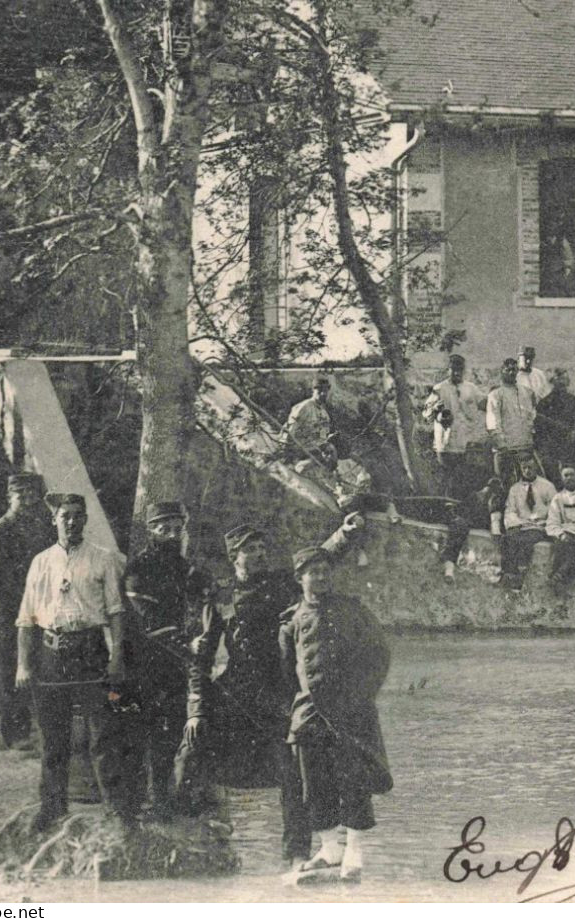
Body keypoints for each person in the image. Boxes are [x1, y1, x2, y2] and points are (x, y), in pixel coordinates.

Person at [177, 516, 361, 865]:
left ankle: (296, 858)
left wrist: (343, 535)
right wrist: (197, 708)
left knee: (295, 772)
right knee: (190, 748)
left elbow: (317, 562)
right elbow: (200, 656)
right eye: (251, 550)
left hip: (279, 693)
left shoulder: (282, 585)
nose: (260, 555)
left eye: (262, 548)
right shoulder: (221, 597)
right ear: (235, 557)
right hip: (235, 691)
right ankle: (185, 831)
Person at [13, 493, 137, 833]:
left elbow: (115, 613)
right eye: (65, 515)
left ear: (85, 520)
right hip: (51, 656)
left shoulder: (103, 559)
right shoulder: (40, 562)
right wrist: (23, 665)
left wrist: (116, 659)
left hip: (91, 653)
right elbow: (26, 619)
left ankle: (117, 810)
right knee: (53, 738)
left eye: (78, 515)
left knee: (103, 735)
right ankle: (52, 808)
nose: (72, 521)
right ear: (54, 519)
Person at [280, 524, 392, 885]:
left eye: (327, 572)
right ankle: (329, 849)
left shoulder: (352, 610)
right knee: (315, 783)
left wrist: (362, 696)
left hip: (351, 710)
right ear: (300, 578)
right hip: (310, 713)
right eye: (314, 573)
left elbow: (379, 654)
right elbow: (287, 669)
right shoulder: (291, 622)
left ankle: (354, 852)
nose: (322, 578)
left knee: (354, 780)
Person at [123, 500, 213, 820]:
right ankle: (155, 800)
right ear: (152, 530)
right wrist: (184, 641)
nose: (172, 535)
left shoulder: (182, 566)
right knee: (152, 731)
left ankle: (177, 795)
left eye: (177, 529)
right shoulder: (138, 568)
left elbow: (205, 594)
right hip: (147, 659)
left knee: (178, 727)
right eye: (165, 529)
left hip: (176, 658)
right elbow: (147, 620)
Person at [0, 471, 52, 747]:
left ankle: (42, 733)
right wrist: (27, 605)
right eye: (19, 494)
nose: (25, 499)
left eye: (31, 494)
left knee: (41, 668)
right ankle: (16, 737)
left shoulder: (45, 527)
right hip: (10, 612)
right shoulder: (0, 530)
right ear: (9, 497)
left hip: (42, 611)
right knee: (11, 670)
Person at [423, 355, 489, 580]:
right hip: (444, 445)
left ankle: (457, 513)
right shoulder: (439, 388)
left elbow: (484, 403)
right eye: (453, 369)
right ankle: (446, 513)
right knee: (446, 479)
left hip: (464, 444)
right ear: (449, 369)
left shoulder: (471, 388)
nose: (457, 372)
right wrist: (437, 413)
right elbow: (426, 412)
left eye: (460, 369)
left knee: (461, 480)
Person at [500, 457, 556, 592]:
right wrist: (517, 523)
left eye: (530, 467)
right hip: (521, 524)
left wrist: (540, 520)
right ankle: (509, 574)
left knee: (527, 539)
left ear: (536, 467)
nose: (527, 471)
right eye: (524, 468)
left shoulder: (547, 486)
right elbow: (510, 510)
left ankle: (520, 574)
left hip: (539, 525)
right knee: (507, 539)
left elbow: (555, 508)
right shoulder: (515, 489)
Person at [486, 356, 540, 484]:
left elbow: (533, 415)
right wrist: (502, 445)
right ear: (502, 371)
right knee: (508, 485)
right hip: (506, 450)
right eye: (508, 370)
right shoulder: (496, 395)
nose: (511, 373)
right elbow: (493, 422)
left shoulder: (527, 392)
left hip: (526, 447)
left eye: (514, 369)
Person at [535, 368, 575, 478]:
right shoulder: (544, 403)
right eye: (559, 380)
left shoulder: (574, 401)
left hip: (571, 448)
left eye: (564, 379)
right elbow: (539, 430)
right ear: (552, 382)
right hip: (552, 449)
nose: (562, 383)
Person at [285, 377, 336, 463]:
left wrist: (328, 438)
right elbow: (290, 431)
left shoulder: (324, 414)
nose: (323, 393)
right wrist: (288, 451)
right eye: (320, 391)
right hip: (300, 450)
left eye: (325, 391)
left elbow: (322, 436)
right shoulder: (304, 407)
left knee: (331, 450)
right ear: (313, 390)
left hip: (315, 449)